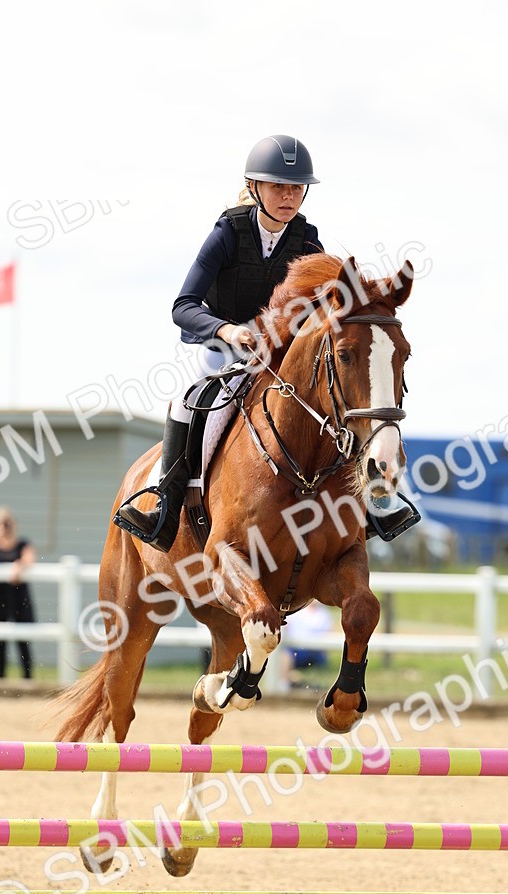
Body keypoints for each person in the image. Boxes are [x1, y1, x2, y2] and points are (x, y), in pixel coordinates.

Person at [115, 134, 324, 551]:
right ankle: (164, 503)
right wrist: (226, 330)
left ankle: (371, 504)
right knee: (185, 403)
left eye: (297, 187)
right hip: (223, 353)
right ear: (254, 187)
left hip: (280, 359)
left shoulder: (308, 240)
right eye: (278, 186)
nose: (289, 195)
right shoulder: (228, 233)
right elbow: (183, 305)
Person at [0, 507, 37, 679]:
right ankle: (0, 678)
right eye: (1, 523)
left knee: (23, 641)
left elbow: (30, 559)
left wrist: (20, 566)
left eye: (8, 523)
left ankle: (27, 679)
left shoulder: (22, 544)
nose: (5, 527)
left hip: (19, 599)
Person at [279, 600, 334, 691]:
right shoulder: (297, 611)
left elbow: (329, 634)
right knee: (285, 656)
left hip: (316, 651)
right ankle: (285, 685)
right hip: (296, 649)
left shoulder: (324, 613)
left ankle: (292, 679)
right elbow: (286, 627)